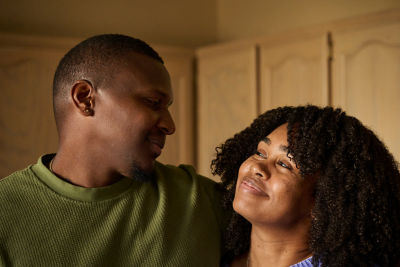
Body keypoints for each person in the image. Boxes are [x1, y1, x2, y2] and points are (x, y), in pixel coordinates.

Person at [0, 34, 224, 266]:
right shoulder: (5, 213)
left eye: (166, 107)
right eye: (152, 102)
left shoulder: (199, 200)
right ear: (85, 99)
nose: (170, 125)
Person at [212, 105, 400, 267]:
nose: (256, 167)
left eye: (284, 164)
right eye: (260, 153)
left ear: (324, 202)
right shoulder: (210, 256)